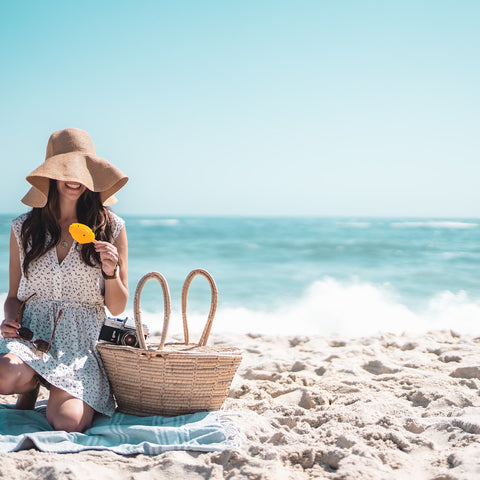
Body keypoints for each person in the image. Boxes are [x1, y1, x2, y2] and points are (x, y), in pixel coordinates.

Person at [0, 128, 129, 432]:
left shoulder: (110, 227)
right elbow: (14, 296)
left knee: (67, 422)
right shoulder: (23, 228)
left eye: (81, 170)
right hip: (31, 338)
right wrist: (8, 321)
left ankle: (61, 392)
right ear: (52, 174)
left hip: (81, 345)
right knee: (4, 376)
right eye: (66, 169)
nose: (74, 178)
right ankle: (31, 383)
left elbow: (117, 306)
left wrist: (111, 272)